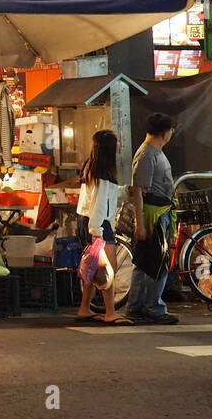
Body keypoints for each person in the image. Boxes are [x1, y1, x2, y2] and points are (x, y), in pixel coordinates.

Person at [127, 113, 180, 325]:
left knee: (145, 262)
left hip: (157, 212)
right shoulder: (147, 154)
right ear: (165, 133)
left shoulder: (154, 151)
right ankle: (153, 307)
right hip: (152, 214)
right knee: (156, 263)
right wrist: (140, 223)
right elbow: (138, 190)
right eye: (171, 130)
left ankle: (137, 306)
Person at [74, 130, 130, 325]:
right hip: (98, 223)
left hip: (87, 218)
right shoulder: (103, 174)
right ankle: (110, 312)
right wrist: (97, 232)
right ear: (109, 148)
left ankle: (84, 308)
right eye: (116, 143)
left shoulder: (92, 167)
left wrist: (127, 191)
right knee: (108, 268)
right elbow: (99, 205)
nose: (119, 146)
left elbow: (107, 197)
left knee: (93, 266)